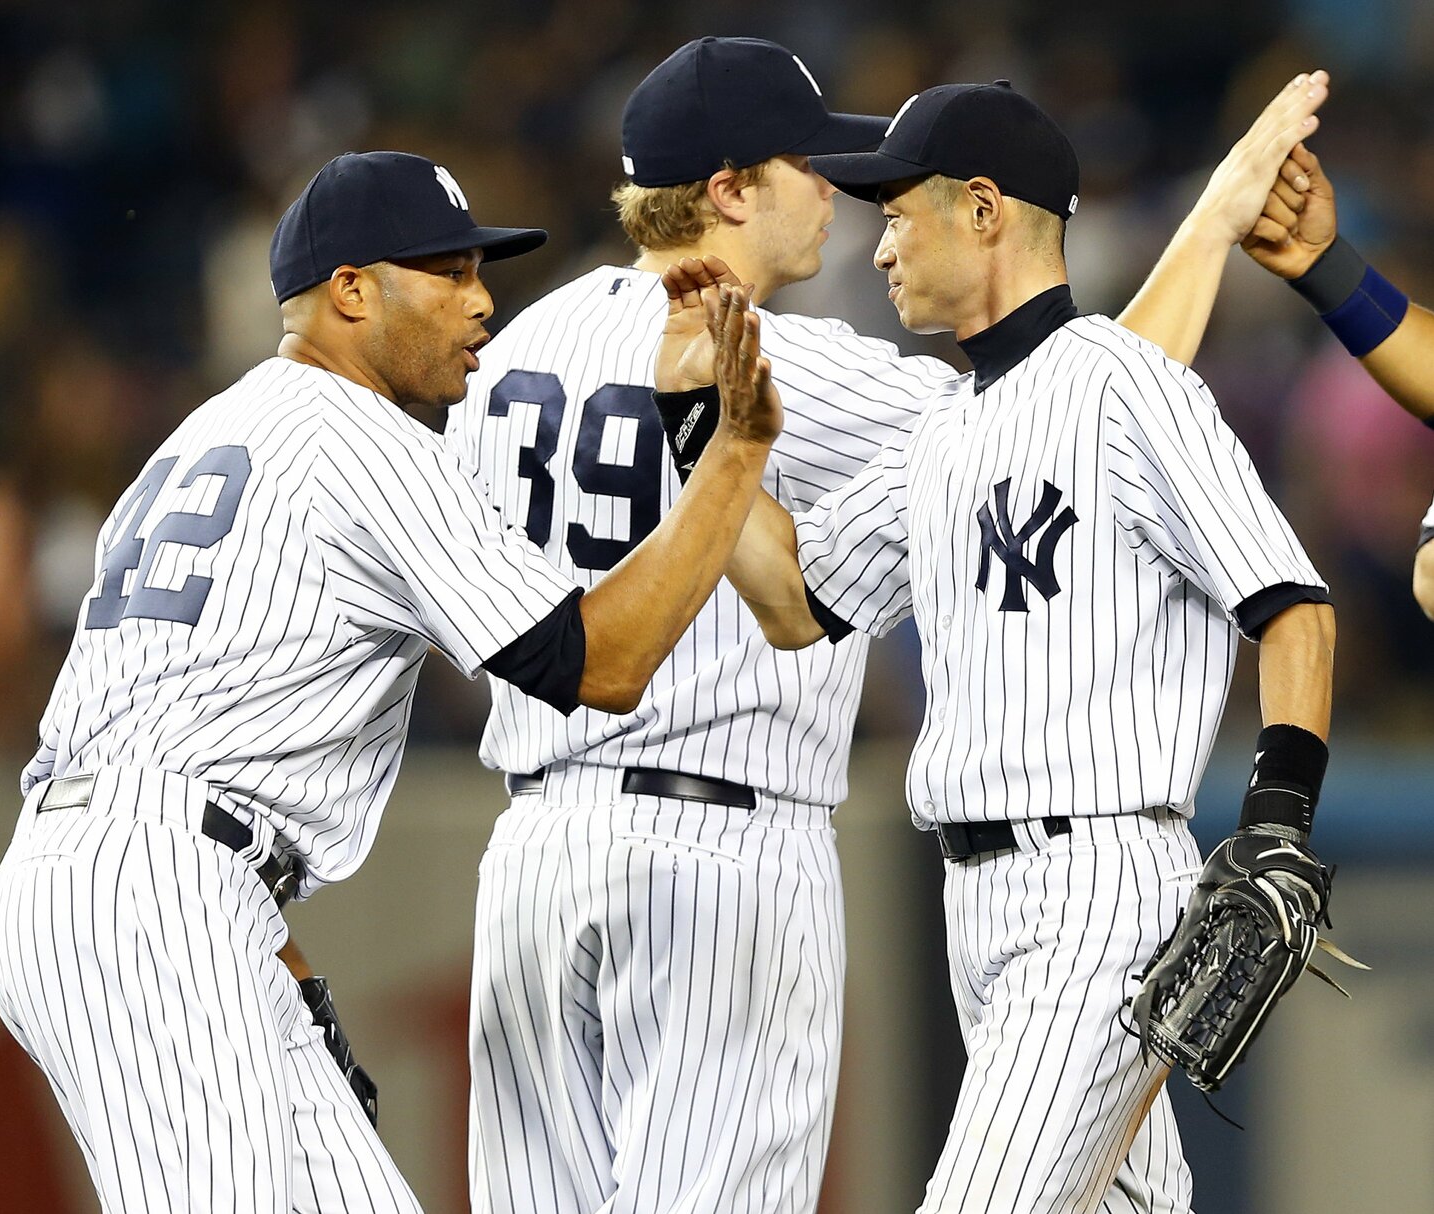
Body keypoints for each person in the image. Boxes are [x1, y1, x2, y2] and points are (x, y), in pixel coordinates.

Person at [444, 35, 1330, 1214]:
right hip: (742, 848)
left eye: (890, 204)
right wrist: (1210, 224)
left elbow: (1081, 398)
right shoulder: (836, 375)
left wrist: (1278, 812)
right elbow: (837, 565)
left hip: (539, 847)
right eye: (818, 169)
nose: (857, 218)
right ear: (728, 189)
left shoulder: (505, 357)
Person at [0, 150, 781, 1213]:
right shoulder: (359, 434)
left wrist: (294, 980)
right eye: (447, 272)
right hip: (151, 891)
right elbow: (598, 664)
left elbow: (204, 749)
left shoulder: (205, 433)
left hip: (144, 877)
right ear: (351, 289)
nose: (482, 300)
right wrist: (731, 456)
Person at [706, 80, 1336, 1214]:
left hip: (1095, 889)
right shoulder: (944, 427)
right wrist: (717, 440)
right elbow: (796, 602)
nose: (880, 243)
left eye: (898, 212)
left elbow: (1291, 601)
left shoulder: (1125, 383)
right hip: (978, 903)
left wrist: (1279, 817)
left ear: (985, 209)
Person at [1241, 142, 1434, 617]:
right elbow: (1306, 461)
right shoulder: (1331, 369)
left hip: (1394, 542)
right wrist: (1322, 266)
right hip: (1355, 547)